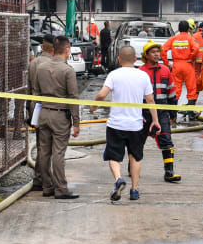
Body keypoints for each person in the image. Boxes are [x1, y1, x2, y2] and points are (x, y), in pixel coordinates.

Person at [90, 46, 160, 201]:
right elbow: (150, 100)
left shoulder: (114, 75)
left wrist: (94, 105)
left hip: (116, 124)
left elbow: (102, 94)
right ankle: (134, 190)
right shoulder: (143, 76)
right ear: (135, 59)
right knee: (135, 157)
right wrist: (155, 121)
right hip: (136, 125)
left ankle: (118, 179)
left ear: (119, 60)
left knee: (114, 156)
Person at [35, 35, 81, 199]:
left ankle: (47, 187)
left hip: (43, 113)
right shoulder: (67, 70)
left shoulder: (41, 68)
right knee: (58, 153)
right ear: (67, 50)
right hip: (60, 116)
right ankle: (61, 189)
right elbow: (73, 97)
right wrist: (76, 122)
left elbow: (37, 92)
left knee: (44, 152)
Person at [138, 41, 181, 182]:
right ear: (146, 55)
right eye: (153, 52)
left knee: (167, 141)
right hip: (144, 112)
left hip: (162, 111)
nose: (157, 54)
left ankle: (169, 172)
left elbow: (171, 93)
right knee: (137, 143)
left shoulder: (165, 71)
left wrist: (173, 113)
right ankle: (133, 167)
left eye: (158, 51)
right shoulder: (140, 72)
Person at [26, 33, 54, 191]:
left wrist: (28, 110)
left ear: (42, 46)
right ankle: (46, 182)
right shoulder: (54, 63)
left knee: (40, 143)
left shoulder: (34, 63)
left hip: (34, 106)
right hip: (50, 107)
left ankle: (37, 179)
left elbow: (29, 89)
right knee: (47, 148)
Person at [161, 20, 199, 103]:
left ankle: (174, 111)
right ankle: (190, 111)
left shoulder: (173, 39)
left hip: (176, 65)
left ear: (178, 29)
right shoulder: (190, 38)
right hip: (188, 65)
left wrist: (166, 63)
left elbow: (162, 50)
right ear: (188, 29)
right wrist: (191, 58)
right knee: (191, 87)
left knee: (176, 87)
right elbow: (196, 48)